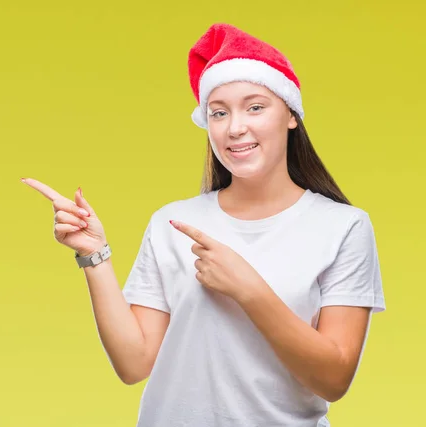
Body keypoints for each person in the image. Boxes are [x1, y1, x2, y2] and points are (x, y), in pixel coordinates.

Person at [23, 22, 386, 427]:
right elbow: (133, 364)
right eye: (218, 112)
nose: (234, 128)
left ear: (291, 115)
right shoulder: (173, 223)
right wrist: (94, 256)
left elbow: (334, 378)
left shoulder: (343, 227)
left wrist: (249, 289)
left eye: (255, 107)